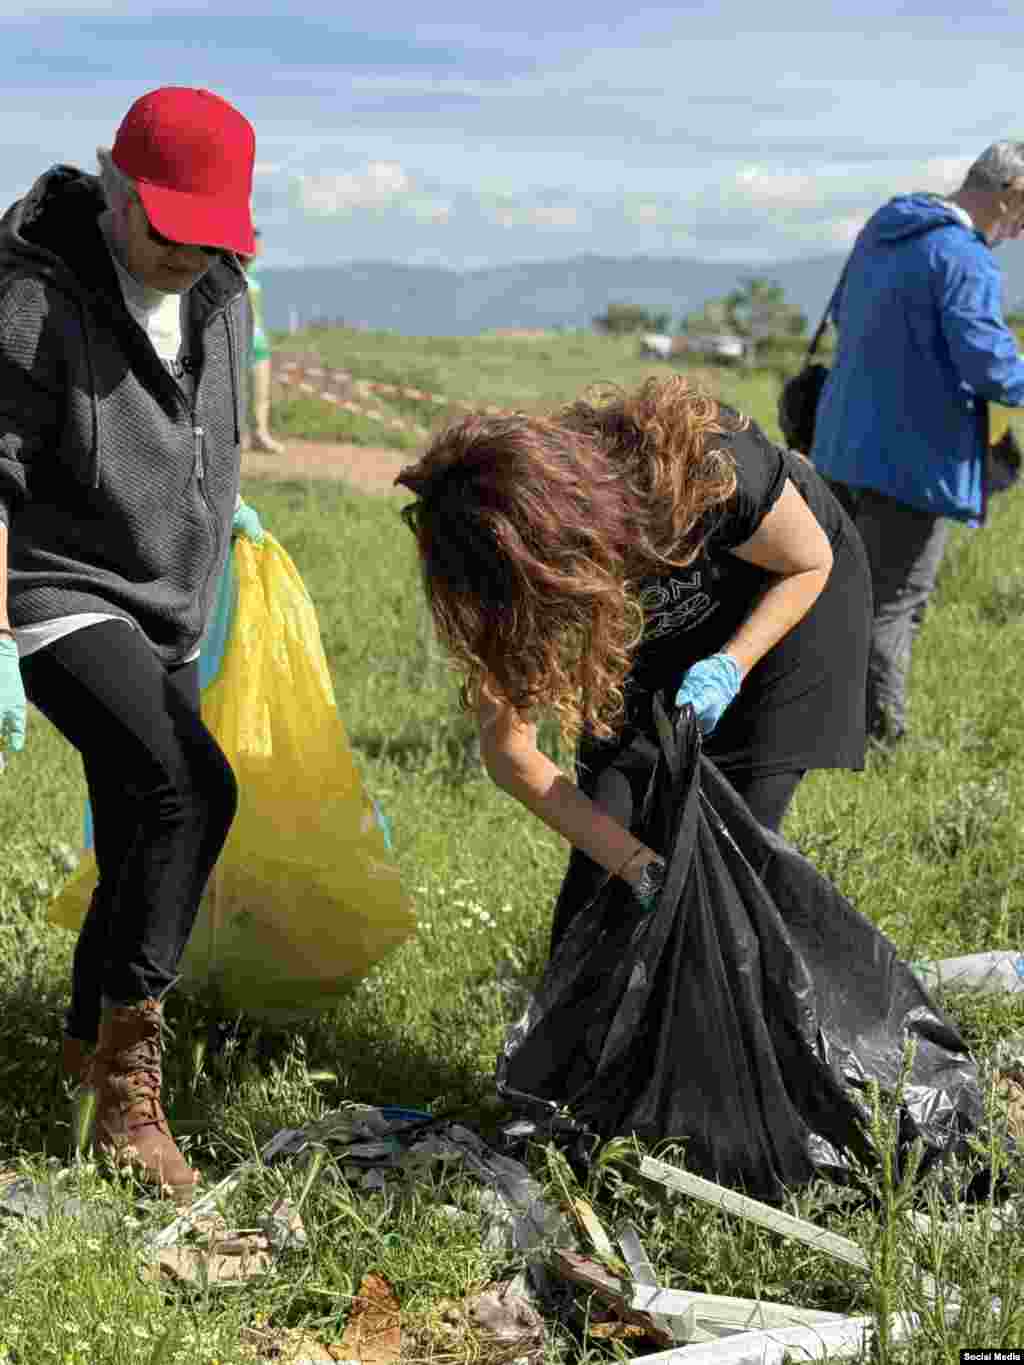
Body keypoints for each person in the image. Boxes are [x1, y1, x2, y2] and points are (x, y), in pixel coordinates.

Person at [0, 86, 266, 1202]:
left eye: (213, 237)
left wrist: (227, 512)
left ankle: (77, 1042)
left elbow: (209, 430)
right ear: (116, 188)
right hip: (56, 586)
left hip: (170, 603)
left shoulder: (221, 291)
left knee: (137, 826)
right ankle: (126, 1095)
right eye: (168, 230)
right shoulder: (29, 301)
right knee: (189, 792)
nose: (186, 257)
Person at [396, 377, 872, 953]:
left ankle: (736, 1011)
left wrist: (730, 664)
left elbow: (807, 562)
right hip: (659, 623)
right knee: (606, 860)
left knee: (725, 852)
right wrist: (638, 867)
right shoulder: (500, 571)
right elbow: (511, 755)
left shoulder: (702, 459)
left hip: (790, 601)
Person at [810, 141, 1024, 747]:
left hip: (843, 444)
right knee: (894, 602)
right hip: (915, 459)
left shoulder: (885, 232)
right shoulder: (965, 257)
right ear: (1009, 191)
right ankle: (880, 741)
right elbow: (989, 366)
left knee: (845, 592)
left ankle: (816, 716)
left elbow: (849, 320)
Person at [239, 228, 284, 454]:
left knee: (260, 393)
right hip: (239, 344)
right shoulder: (232, 275)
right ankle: (242, 436)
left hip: (259, 344)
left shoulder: (254, 274)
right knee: (239, 392)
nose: (258, 246)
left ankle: (260, 434)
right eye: (253, 239)